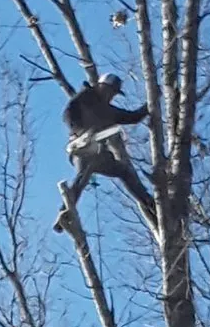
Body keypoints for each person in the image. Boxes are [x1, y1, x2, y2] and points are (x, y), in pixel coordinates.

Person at [53, 73, 155, 232]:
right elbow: (68, 115)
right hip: (81, 148)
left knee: (124, 172)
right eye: (111, 92)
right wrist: (81, 132)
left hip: (99, 154)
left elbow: (133, 117)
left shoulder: (109, 111)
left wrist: (150, 104)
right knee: (83, 175)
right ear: (102, 87)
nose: (112, 96)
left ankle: (150, 204)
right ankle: (64, 214)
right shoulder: (84, 98)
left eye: (114, 94)